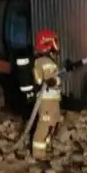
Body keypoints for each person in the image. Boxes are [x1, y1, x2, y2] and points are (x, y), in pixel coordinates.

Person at [30, 29, 64, 160]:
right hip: (46, 99)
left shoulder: (48, 61)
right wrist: (54, 80)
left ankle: (46, 147)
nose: (56, 45)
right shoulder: (44, 61)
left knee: (53, 122)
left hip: (52, 99)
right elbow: (50, 79)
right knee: (44, 124)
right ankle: (38, 153)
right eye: (54, 42)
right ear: (47, 44)